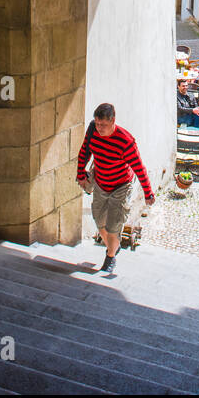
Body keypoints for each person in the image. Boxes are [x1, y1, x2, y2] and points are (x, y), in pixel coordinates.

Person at [76, 103, 154, 274]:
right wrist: (81, 174)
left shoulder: (125, 141)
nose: (100, 128)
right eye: (97, 124)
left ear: (113, 121)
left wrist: (148, 193)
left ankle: (110, 257)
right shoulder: (93, 133)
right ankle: (114, 245)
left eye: (103, 125)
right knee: (99, 221)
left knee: (113, 227)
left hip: (121, 187)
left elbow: (139, 169)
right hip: (101, 184)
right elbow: (84, 152)